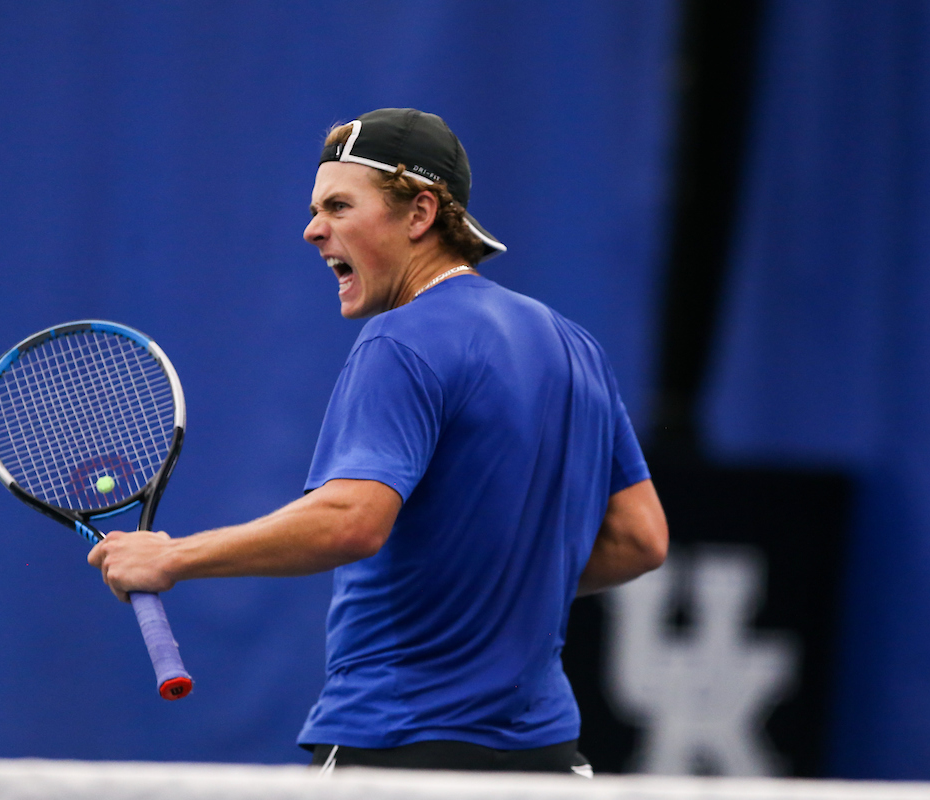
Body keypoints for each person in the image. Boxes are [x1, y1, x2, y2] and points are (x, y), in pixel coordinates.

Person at [88, 107, 668, 774]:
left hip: (398, 748)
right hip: (545, 760)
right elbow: (639, 541)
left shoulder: (402, 340)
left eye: (338, 205)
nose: (312, 230)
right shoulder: (577, 347)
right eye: (314, 209)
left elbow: (351, 522)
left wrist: (172, 557)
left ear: (419, 214)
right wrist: (492, 586)